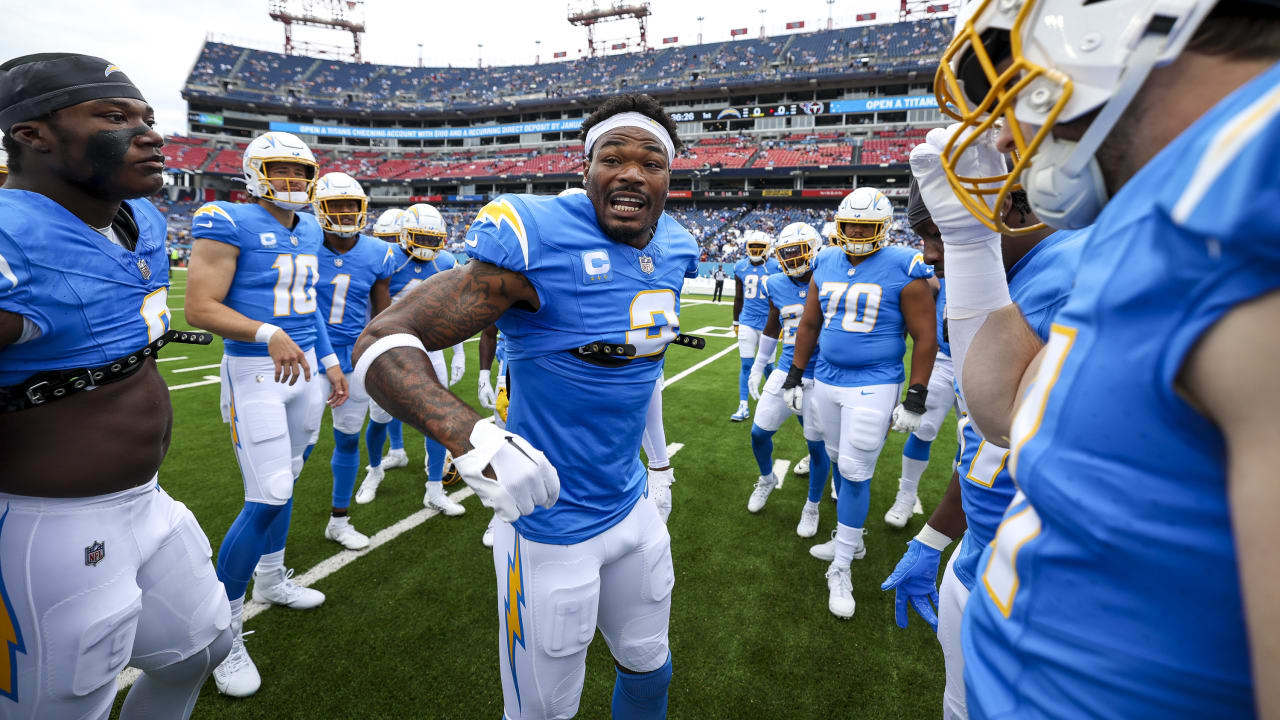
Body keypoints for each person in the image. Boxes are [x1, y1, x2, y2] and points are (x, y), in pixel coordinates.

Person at [929, 0, 1280, 716]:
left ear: (1094, 25)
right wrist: (968, 248)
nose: (1002, 134)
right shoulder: (1170, 198)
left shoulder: (1247, 185)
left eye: (1010, 82)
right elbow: (1004, 414)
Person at [354, 93, 697, 719]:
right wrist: (470, 434)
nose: (631, 173)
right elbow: (380, 343)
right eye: (612, 158)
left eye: (651, 161)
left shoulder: (674, 246)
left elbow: (643, 365)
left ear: (669, 177)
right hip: (549, 526)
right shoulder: (538, 236)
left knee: (651, 670)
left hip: (633, 507)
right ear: (585, 170)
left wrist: (658, 463)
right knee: (543, 712)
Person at [0, 52, 230, 719]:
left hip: (146, 500)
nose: (150, 132)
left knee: (197, 649)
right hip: (47, 523)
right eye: (113, 115)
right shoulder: (13, 237)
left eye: (148, 117)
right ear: (32, 134)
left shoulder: (144, 219)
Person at [880, 174, 1085, 720]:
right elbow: (980, 441)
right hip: (978, 562)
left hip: (1045, 588)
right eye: (924, 233)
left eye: (942, 232)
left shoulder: (1077, 279)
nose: (928, 253)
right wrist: (933, 537)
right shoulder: (988, 278)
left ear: (1012, 209)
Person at [185, 130, 347, 698]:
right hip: (255, 373)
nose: (293, 183)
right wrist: (268, 332)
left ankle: (272, 579)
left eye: (300, 174)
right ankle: (222, 633)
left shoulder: (307, 226)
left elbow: (310, 307)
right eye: (281, 171)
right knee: (269, 492)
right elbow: (199, 306)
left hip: (302, 371)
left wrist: (329, 362)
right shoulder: (226, 219)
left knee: (290, 480)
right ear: (256, 172)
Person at [783, 186, 937, 619]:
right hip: (827, 380)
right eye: (849, 224)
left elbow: (926, 336)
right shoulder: (825, 260)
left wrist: (916, 395)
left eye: (865, 226)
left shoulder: (903, 266)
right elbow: (809, 323)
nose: (855, 232)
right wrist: (796, 374)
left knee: (853, 471)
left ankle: (843, 564)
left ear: (883, 229)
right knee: (837, 462)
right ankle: (853, 537)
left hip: (874, 382)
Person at [355, 202, 466, 517]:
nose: (429, 247)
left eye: (434, 240)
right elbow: (370, 309)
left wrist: (457, 351)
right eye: (421, 238)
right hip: (388, 349)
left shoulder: (445, 262)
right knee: (380, 418)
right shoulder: (388, 260)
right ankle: (375, 469)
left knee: (438, 421)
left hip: (429, 348)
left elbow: (453, 309)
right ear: (404, 235)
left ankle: (434, 489)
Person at [306, 171, 393, 550]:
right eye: (335, 205)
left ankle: (338, 520)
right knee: (297, 451)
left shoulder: (377, 252)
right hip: (307, 357)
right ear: (318, 209)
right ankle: (269, 527)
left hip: (353, 360)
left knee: (347, 440)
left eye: (351, 205)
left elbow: (382, 315)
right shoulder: (303, 242)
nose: (344, 213)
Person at [741, 222, 832, 538]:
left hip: (822, 376)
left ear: (814, 249)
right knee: (758, 434)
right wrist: (758, 366)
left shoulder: (829, 277)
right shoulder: (776, 283)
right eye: (786, 254)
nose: (792, 260)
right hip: (784, 369)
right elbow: (771, 326)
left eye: (798, 252)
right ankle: (767, 478)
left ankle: (812, 506)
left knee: (817, 448)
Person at [885, 180, 957, 530]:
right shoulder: (933, 271)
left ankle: (972, 503)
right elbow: (920, 286)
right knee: (922, 429)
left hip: (987, 360)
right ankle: (905, 495)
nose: (932, 252)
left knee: (982, 441)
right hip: (945, 359)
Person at [364, 206, 412, 470]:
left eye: (393, 240)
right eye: (384, 240)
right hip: (379, 338)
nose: (388, 249)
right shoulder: (376, 265)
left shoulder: (431, 264)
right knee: (382, 407)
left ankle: (429, 464)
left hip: (412, 339)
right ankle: (395, 449)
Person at [730, 230, 780, 422]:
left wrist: (781, 323)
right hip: (747, 321)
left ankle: (776, 398)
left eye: (760, 247)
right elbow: (738, 296)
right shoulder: (740, 267)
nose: (756, 250)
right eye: (753, 247)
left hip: (769, 323)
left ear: (767, 248)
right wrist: (735, 321)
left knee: (768, 365)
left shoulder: (776, 267)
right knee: (746, 364)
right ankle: (743, 406)